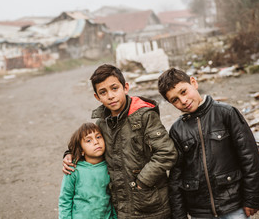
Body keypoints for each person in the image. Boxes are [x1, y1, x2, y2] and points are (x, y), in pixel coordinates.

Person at [63, 64, 178, 218]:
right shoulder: (102, 124)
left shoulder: (145, 116)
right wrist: (70, 154)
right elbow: (95, 150)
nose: (110, 96)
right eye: (103, 92)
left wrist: (142, 181)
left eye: (114, 88)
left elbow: (167, 152)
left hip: (151, 206)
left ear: (125, 88)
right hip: (121, 209)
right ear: (97, 97)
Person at [157, 68, 259, 219]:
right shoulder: (177, 130)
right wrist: (179, 215)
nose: (183, 101)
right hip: (199, 211)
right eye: (175, 100)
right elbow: (176, 177)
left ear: (193, 83)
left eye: (183, 92)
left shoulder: (226, 114)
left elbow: (249, 157)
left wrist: (252, 198)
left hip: (233, 205)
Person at [58, 122, 117, 219]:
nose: (96, 142)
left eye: (98, 137)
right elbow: (65, 200)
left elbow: (114, 199)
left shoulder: (110, 168)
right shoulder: (74, 170)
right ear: (81, 150)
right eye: (88, 140)